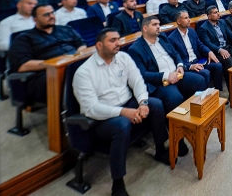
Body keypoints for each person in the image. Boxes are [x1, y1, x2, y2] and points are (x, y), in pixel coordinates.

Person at [73, 28, 170, 196]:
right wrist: (124, 112)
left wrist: (143, 103)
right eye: (112, 40)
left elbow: (137, 81)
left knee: (155, 104)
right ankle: (117, 184)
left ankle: (160, 150)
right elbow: (91, 108)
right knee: (122, 125)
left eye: (118, 39)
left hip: (127, 103)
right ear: (99, 45)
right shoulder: (84, 72)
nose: (118, 43)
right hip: (102, 118)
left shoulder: (123, 58)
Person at [127, 16, 207, 156]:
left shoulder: (162, 38)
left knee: (200, 81)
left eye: (159, 24)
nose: (159, 26)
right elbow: (142, 74)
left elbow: (175, 54)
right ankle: (179, 139)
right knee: (175, 98)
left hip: (177, 74)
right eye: (155, 24)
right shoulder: (136, 49)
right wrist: (166, 76)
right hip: (161, 82)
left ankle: (197, 120)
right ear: (145, 28)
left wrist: (180, 65)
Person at [8, 4, 87, 103]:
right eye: (46, 15)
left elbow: (81, 44)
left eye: (52, 13)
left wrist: (78, 55)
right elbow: (22, 65)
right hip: (46, 73)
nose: (51, 16)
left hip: (73, 63)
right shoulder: (24, 38)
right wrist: (55, 63)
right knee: (76, 76)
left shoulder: (66, 29)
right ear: (35, 19)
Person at [197, 6, 232, 105]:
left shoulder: (222, 22)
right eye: (215, 13)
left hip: (228, 47)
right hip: (216, 52)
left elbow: (230, 35)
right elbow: (207, 43)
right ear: (209, 16)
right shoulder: (203, 28)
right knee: (228, 59)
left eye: (218, 12)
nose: (218, 14)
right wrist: (219, 50)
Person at [168, 11, 223, 91]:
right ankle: (205, 96)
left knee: (218, 65)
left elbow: (200, 45)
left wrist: (209, 51)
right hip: (187, 65)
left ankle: (217, 92)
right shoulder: (172, 38)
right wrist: (190, 66)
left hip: (198, 60)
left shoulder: (192, 31)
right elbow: (176, 59)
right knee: (205, 72)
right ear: (178, 21)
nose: (189, 20)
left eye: (188, 17)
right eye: (186, 18)